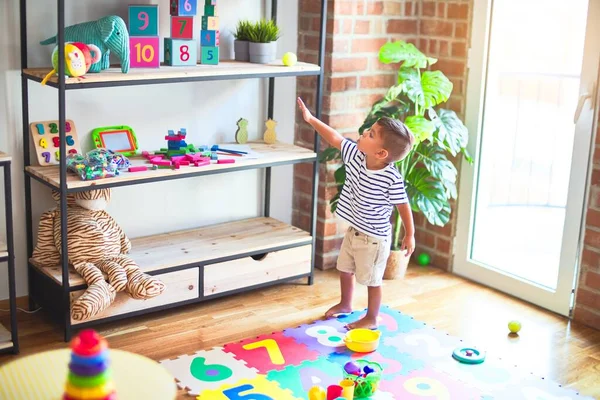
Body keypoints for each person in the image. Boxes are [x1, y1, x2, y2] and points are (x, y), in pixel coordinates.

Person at [297, 97, 416, 330]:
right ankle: (345, 304)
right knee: (344, 268)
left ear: (381, 153)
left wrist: (409, 234)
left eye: (370, 134)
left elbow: (403, 205)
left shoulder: (391, 177)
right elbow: (334, 137)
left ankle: (372, 317)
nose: (363, 133)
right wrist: (310, 119)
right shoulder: (355, 156)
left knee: (372, 280)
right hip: (355, 230)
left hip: (374, 238)